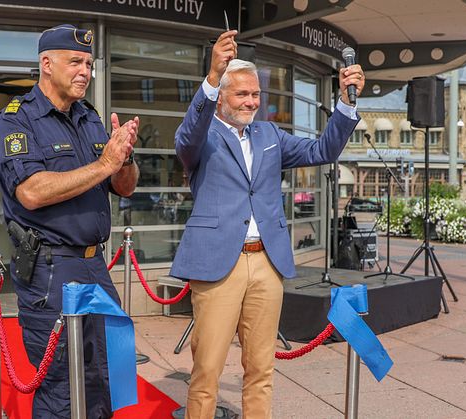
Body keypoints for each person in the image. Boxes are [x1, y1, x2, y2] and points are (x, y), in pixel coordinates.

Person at [170, 30, 365, 419]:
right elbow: (186, 138)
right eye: (242, 94)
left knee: (260, 369)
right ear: (222, 97)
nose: (252, 101)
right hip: (217, 266)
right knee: (207, 371)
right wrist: (211, 76)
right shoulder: (201, 136)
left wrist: (344, 102)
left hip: (266, 264)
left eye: (256, 94)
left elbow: (322, 150)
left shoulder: (269, 134)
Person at [0, 24, 139, 418]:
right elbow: (33, 191)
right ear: (46, 64)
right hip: (51, 269)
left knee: (105, 375)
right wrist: (105, 162)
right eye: (75, 61)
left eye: (89, 63)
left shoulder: (90, 118)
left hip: (95, 264)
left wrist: (123, 158)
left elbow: (124, 188)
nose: (85, 71)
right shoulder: (16, 121)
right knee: (60, 385)